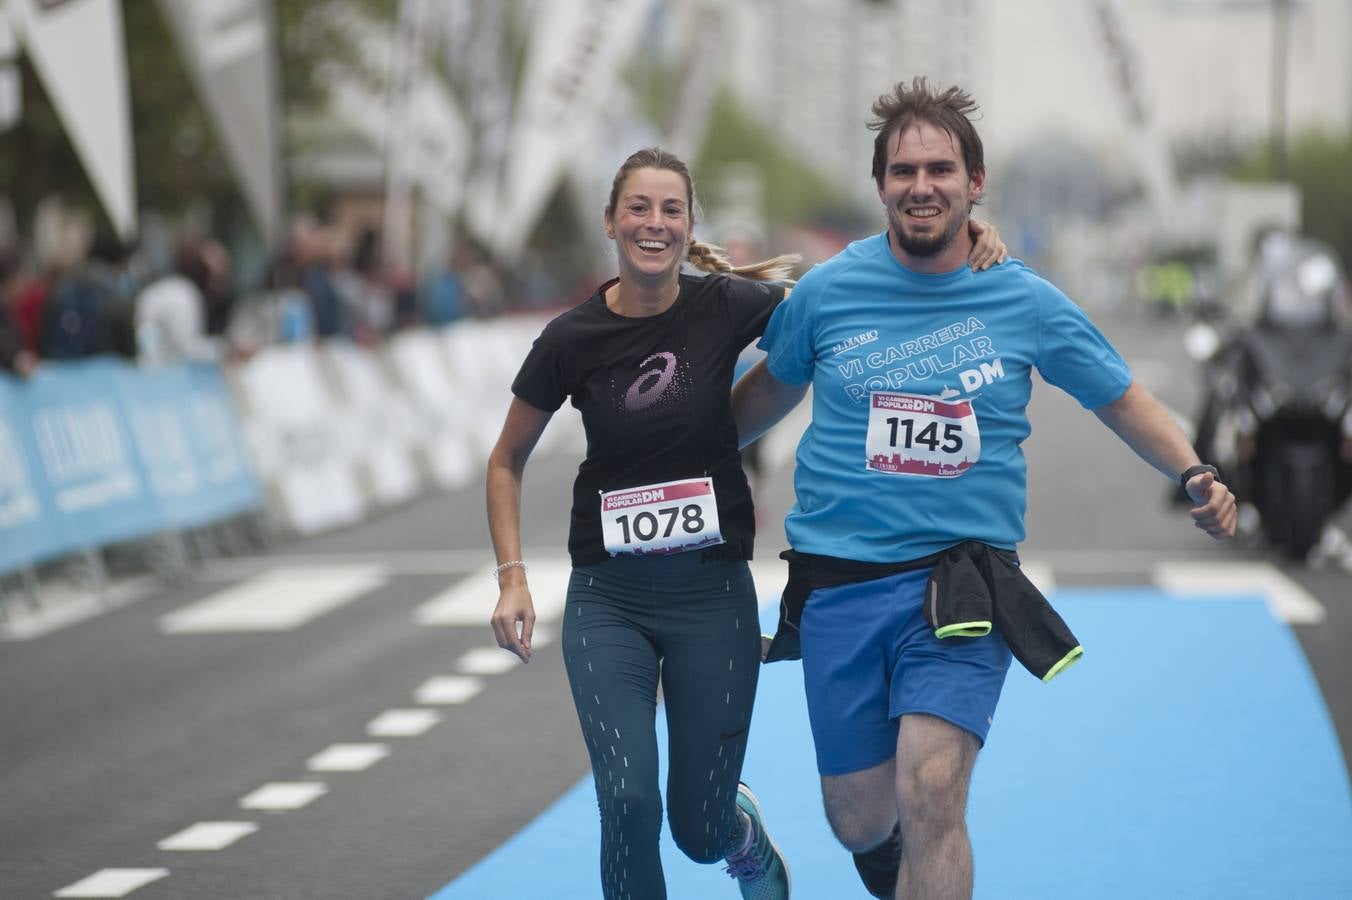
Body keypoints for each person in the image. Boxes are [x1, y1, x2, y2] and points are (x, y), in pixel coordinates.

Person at [731, 78, 1237, 900]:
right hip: (840, 585)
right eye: (903, 171)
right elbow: (759, 403)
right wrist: (664, 458)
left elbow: (1122, 397)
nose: (921, 186)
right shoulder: (827, 292)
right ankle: (861, 854)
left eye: (939, 169)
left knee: (932, 792)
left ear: (976, 182)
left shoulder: (1021, 297)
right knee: (859, 816)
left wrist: (1194, 469)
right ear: (882, 185)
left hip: (960, 584)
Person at [485, 145, 1009, 899]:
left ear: (690, 224)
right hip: (609, 600)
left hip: (711, 599)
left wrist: (969, 241)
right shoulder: (570, 339)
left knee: (697, 829)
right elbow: (505, 459)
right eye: (638, 208)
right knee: (627, 801)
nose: (653, 224)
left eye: (670, 209)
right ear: (611, 222)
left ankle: (741, 838)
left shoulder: (725, 305)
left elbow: (848, 297)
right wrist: (512, 579)